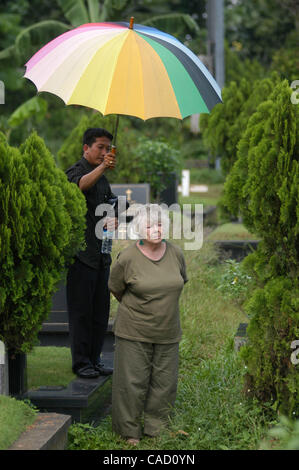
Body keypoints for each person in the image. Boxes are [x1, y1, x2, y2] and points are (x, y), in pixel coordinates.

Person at [108, 204, 188, 445]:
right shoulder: (128, 257)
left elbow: (180, 281)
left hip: (168, 330)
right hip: (134, 330)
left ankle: (157, 428)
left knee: (165, 383)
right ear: (140, 229)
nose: (156, 229)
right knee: (131, 382)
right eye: (150, 225)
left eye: (160, 224)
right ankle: (128, 431)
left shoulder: (176, 253)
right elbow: (115, 287)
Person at [65, 127, 118, 378]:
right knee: (82, 313)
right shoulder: (77, 170)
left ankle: (95, 360)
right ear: (86, 148)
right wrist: (102, 168)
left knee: (100, 313)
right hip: (82, 256)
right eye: (100, 147)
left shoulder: (103, 178)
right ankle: (81, 363)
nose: (105, 152)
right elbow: (79, 187)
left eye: (108, 148)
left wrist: (114, 217)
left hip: (102, 254)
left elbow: (110, 204)